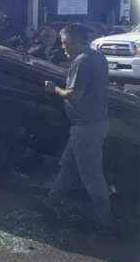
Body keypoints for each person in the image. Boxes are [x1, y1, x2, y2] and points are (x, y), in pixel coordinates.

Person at [44, 22, 112, 232]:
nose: (63, 48)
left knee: (92, 177)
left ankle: (104, 225)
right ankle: (50, 205)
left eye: (64, 43)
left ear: (73, 42)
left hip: (86, 128)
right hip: (92, 124)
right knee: (68, 167)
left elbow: (75, 94)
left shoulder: (81, 61)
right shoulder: (97, 57)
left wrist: (55, 89)